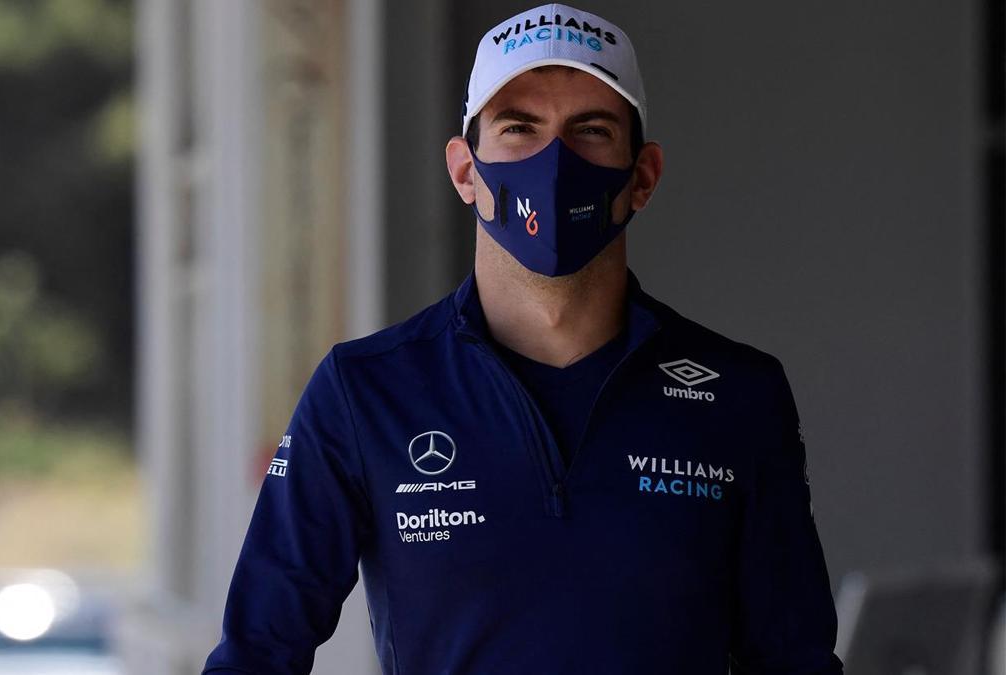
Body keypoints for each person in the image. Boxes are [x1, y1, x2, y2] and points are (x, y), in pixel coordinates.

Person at [203, 3, 843, 673]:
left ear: (643, 176)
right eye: (518, 128)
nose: (555, 162)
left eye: (591, 130)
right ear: (464, 171)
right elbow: (255, 655)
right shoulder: (365, 392)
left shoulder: (739, 395)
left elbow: (796, 660)